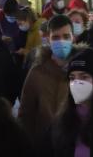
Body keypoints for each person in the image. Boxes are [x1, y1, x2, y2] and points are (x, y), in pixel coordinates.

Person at [17, 14, 74, 148]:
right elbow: (26, 113)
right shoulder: (37, 71)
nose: (61, 41)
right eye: (56, 37)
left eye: (66, 37)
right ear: (48, 39)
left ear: (73, 38)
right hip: (45, 146)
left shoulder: (83, 70)